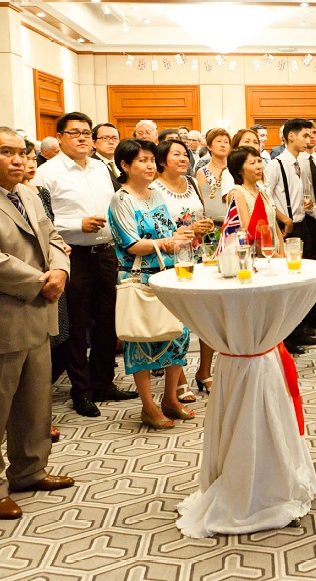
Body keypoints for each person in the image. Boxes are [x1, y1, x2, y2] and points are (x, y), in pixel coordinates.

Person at [0, 127, 74, 520]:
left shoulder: (28, 193)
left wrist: (61, 272)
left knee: (35, 403)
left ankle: (29, 470)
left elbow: (54, 238)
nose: (19, 160)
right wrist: (43, 282)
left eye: (22, 152)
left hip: (40, 311)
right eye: (7, 152)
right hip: (1, 317)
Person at [35, 112, 136, 417]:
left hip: (105, 253)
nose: (82, 138)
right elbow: (42, 220)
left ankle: (103, 381)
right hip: (71, 255)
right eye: (75, 132)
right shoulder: (47, 173)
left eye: (87, 133)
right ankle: (82, 391)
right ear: (61, 136)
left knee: (108, 321)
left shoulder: (100, 168)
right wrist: (77, 224)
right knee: (77, 326)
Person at [108, 139, 194, 429]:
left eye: (150, 160)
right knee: (141, 339)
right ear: (125, 165)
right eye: (141, 160)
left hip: (167, 275)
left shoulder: (155, 194)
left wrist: (183, 234)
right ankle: (148, 406)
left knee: (177, 335)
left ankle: (171, 398)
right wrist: (169, 242)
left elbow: (166, 230)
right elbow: (131, 244)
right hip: (138, 277)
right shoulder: (121, 199)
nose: (148, 165)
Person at [152, 138, 215, 398]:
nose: (183, 159)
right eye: (176, 154)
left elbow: (199, 214)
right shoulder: (155, 188)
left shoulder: (191, 183)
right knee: (178, 322)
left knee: (208, 317)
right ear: (162, 160)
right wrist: (188, 230)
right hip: (173, 259)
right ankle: (179, 379)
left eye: (185, 155)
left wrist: (205, 225)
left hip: (199, 254)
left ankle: (205, 370)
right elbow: (157, 228)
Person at [23, 144, 71, 435]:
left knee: (54, 345)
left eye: (29, 158)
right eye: (16, 156)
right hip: (24, 283)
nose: (26, 164)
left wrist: (60, 263)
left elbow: (50, 231)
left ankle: (39, 415)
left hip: (53, 277)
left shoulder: (37, 193)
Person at [265, 118, 316, 352]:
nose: (309, 140)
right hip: (287, 228)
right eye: (305, 136)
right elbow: (266, 196)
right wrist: (284, 218)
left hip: (303, 224)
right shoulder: (276, 165)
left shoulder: (301, 163)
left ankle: (299, 330)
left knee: (300, 280)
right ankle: (286, 337)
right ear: (291, 137)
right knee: (287, 282)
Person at [228, 146, 284, 255]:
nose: (259, 166)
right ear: (239, 169)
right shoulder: (237, 194)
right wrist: (277, 258)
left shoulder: (261, 191)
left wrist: (282, 254)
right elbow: (250, 234)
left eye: (259, 161)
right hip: (257, 258)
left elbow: (275, 225)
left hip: (275, 256)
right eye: (252, 163)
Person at [194, 128, 234, 224]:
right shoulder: (203, 172)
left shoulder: (235, 169)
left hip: (235, 218)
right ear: (209, 146)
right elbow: (204, 202)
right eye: (218, 141)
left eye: (226, 142)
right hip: (213, 223)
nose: (223, 145)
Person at [91, 123, 122, 190]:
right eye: (105, 138)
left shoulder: (123, 164)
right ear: (93, 143)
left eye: (115, 138)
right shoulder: (90, 165)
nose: (111, 142)